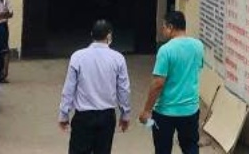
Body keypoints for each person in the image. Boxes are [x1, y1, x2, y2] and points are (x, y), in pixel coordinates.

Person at [58, 19, 132, 154]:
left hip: (83, 117)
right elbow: (123, 89)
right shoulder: (118, 58)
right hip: (106, 116)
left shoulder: (78, 57)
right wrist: (125, 113)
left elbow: (69, 88)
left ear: (92, 34)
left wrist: (64, 114)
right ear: (109, 36)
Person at [138, 11, 205, 154]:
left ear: (170, 27)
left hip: (165, 111)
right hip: (190, 110)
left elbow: (158, 83)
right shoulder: (198, 46)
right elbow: (197, 69)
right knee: (191, 147)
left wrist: (147, 110)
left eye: (163, 27)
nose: (162, 30)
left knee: (162, 149)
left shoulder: (165, 50)